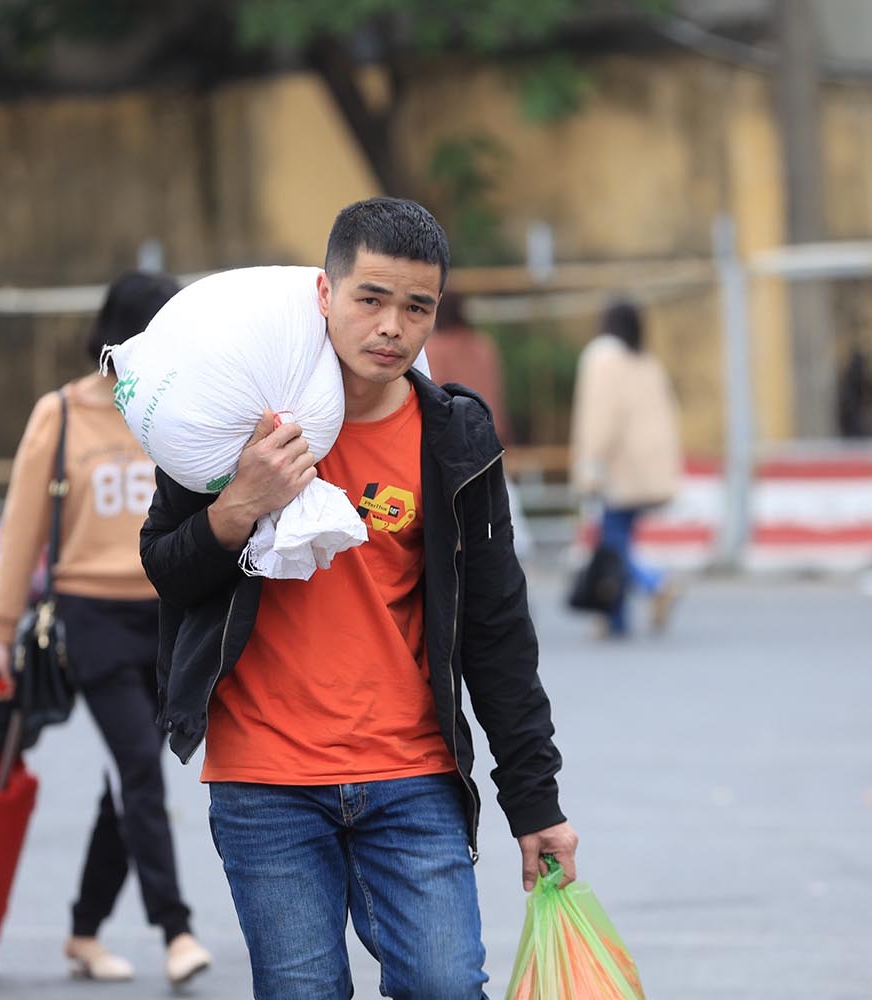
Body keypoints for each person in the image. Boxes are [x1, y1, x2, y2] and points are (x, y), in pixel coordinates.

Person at [140, 197, 576, 1000]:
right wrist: (243, 500)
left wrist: (535, 800)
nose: (391, 327)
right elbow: (167, 570)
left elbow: (497, 630)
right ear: (325, 295)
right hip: (264, 778)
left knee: (447, 986)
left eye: (417, 307)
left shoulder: (454, 439)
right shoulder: (238, 421)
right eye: (370, 298)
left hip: (411, 774)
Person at [0, 272, 212, 986]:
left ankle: (84, 931)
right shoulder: (60, 414)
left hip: (165, 612)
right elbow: (22, 527)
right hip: (90, 618)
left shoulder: (182, 407)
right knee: (141, 769)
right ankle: (176, 930)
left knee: (130, 780)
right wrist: (1, 629)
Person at [569, 299, 683, 637]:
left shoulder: (602, 358)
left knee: (613, 544)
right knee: (617, 537)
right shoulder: (645, 361)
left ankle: (655, 583)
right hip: (645, 466)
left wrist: (592, 465)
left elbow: (600, 419)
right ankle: (614, 616)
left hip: (616, 466)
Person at [424, 291, 512, 441]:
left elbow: (431, 394)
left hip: (453, 436)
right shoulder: (483, 344)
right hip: (489, 431)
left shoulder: (434, 348)